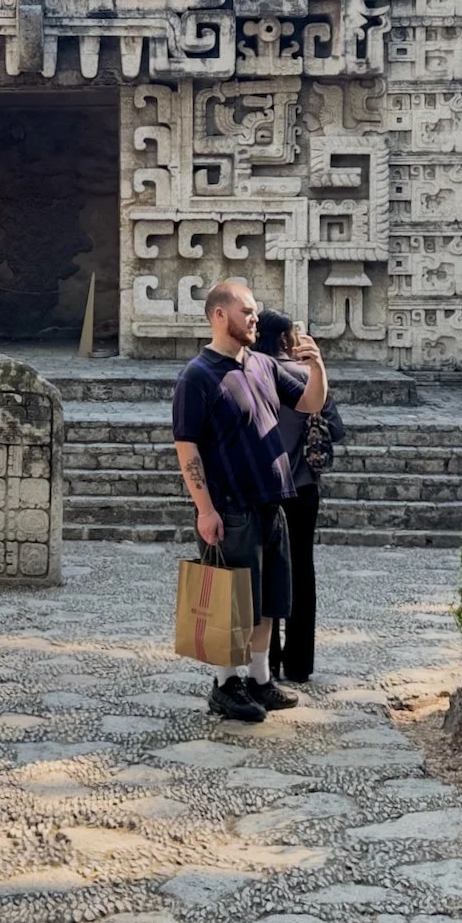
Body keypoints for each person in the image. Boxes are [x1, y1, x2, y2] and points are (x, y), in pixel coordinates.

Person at [170, 279, 327, 723]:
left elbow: (310, 403)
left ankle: (259, 678)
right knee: (231, 601)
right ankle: (225, 683)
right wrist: (204, 509)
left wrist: (317, 367)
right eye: (246, 310)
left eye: (255, 311)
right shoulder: (197, 376)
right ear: (219, 315)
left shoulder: (262, 365)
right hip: (229, 505)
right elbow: (187, 448)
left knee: (269, 599)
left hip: (270, 501)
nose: (254, 318)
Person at [251, 309, 346, 685]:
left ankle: (266, 661)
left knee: (265, 572)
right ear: (288, 339)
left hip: (264, 487)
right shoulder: (307, 376)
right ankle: (299, 665)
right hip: (304, 486)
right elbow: (335, 429)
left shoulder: (250, 374)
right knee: (302, 571)